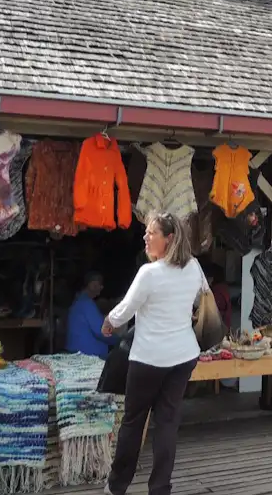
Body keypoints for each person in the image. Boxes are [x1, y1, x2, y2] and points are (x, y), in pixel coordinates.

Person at [102, 212, 209, 495]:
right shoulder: (194, 267)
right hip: (183, 356)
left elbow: (125, 309)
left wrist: (109, 321)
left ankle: (116, 487)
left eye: (152, 233)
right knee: (167, 424)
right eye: (146, 233)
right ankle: (160, 489)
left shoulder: (149, 273)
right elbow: (203, 295)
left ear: (169, 239)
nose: (146, 238)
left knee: (133, 424)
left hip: (149, 358)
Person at [66, 271, 117, 359]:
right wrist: (120, 340)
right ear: (93, 285)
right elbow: (100, 331)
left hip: (77, 352)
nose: (102, 287)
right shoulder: (87, 304)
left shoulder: (78, 301)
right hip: (87, 356)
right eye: (100, 284)